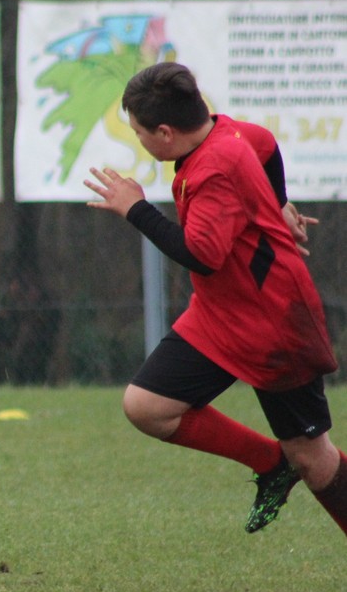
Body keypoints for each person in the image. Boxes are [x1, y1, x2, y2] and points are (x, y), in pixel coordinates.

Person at [84, 62, 347, 547]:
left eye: (140, 133)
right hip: (219, 313)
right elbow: (265, 143)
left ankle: (288, 462)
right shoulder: (226, 131)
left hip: (271, 323)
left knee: (314, 459)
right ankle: (271, 464)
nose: (139, 141)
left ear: (166, 132)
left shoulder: (214, 170)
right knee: (147, 407)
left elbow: (202, 255)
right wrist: (278, 204)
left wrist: (135, 208)